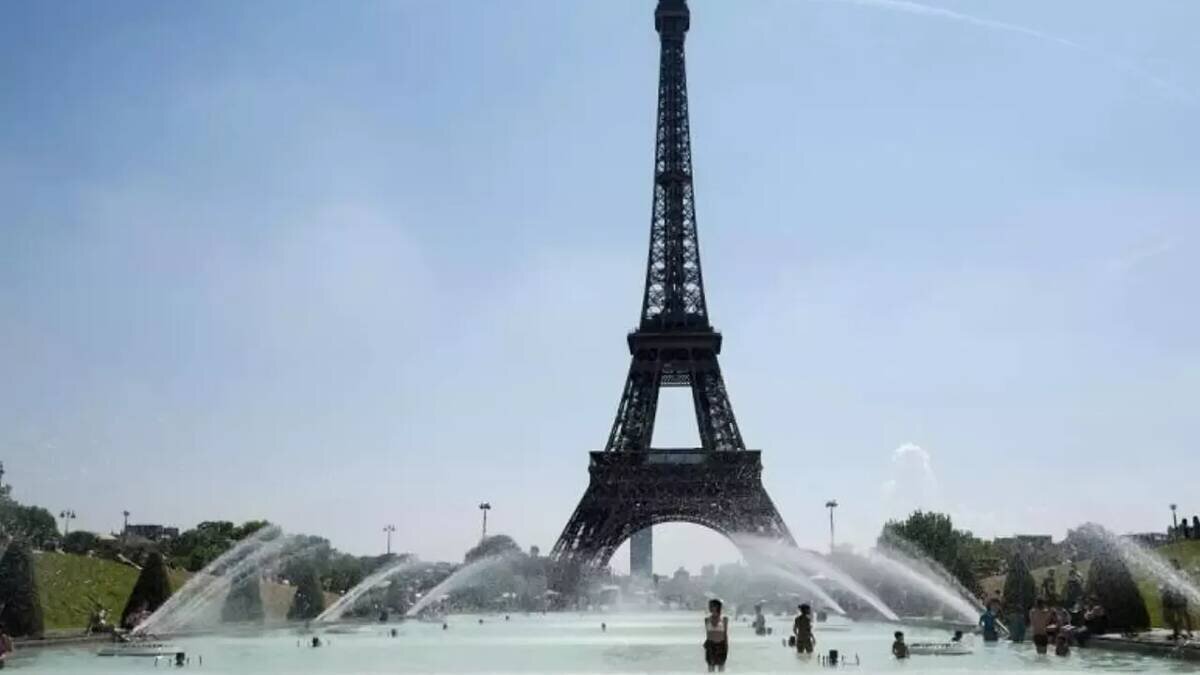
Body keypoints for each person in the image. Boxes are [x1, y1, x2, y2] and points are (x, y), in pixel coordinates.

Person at [703, 598, 729, 673]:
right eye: (710, 606)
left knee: (721, 669)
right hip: (710, 646)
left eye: (711, 606)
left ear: (717, 607)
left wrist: (726, 646)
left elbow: (725, 634)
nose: (710, 607)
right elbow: (707, 635)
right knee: (710, 668)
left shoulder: (724, 619)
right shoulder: (707, 620)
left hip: (721, 645)